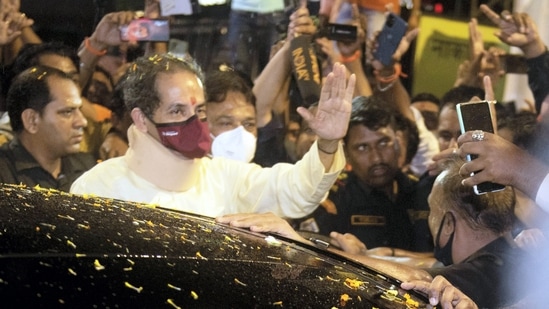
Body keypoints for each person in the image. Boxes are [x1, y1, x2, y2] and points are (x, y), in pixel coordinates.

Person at [218, 157, 528, 308]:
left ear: (447, 223)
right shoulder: (520, 253)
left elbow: (415, 278)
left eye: (432, 214)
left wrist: (301, 246)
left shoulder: (491, 269)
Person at [70, 54, 354, 219]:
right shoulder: (97, 189)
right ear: (141, 119)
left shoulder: (224, 176)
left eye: (200, 110)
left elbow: (297, 190)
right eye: (178, 111)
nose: (194, 122)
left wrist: (328, 142)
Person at [301, 96, 433, 253]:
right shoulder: (332, 200)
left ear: (398, 142)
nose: (376, 158)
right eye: (362, 147)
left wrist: (380, 256)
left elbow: (448, 262)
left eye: (383, 143)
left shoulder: (422, 193)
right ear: (346, 153)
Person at [0, 66, 95, 191]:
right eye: (67, 112)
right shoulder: (4, 175)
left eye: (79, 110)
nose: (82, 122)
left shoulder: (87, 167)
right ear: (31, 120)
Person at [204, 69, 257, 163]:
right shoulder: (180, 176)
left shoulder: (263, 177)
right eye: (226, 123)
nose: (240, 134)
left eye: (249, 124)